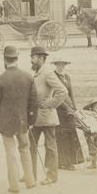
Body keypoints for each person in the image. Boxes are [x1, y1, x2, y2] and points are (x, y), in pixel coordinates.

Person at [0, 46, 38, 193]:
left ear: (5, 60)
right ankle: (30, 181)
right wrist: (31, 121)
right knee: (25, 149)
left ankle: (14, 186)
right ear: (17, 58)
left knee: (10, 153)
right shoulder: (28, 77)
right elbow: (34, 102)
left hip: (6, 123)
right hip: (23, 121)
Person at [29, 46, 67, 186]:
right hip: (36, 118)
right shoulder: (37, 73)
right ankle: (30, 174)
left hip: (47, 117)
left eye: (33, 58)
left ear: (40, 58)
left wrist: (50, 103)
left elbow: (62, 91)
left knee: (50, 147)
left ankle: (52, 176)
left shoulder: (47, 73)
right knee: (30, 146)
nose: (31, 61)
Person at [50, 55, 85, 171]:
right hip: (59, 110)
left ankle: (73, 159)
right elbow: (56, 95)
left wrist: (74, 108)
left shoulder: (67, 76)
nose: (61, 66)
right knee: (62, 135)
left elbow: (71, 93)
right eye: (59, 64)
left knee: (72, 133)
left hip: (69, 109)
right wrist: (66, 108)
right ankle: (63, 162)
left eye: (63, 64)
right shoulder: (52, 76)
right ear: (55, 65)